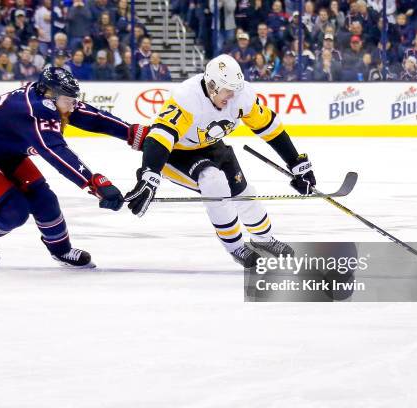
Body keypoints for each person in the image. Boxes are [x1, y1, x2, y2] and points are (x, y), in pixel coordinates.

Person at [0, 67, 149, 268]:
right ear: (50, 95)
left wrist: (131, 133)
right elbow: (56, 152)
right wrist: (94, 183)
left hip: (4, 151)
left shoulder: (51, 98)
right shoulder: (37, 111)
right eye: (68, 100)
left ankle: (61, 250)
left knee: (44, 199)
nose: (72, 106)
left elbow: (91, 117)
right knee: (14, 212)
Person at [124, 54, 316, 268]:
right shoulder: (188, 97)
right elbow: (160, 136)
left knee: (244, 193)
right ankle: (235, 246)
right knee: (213, 181)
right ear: (212, 85)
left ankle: (265, 239)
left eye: (235, 89)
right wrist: (149, 175)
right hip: (176, 153)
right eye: (227, 90)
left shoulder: (240, 96)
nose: (232, 96)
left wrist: (296, 162)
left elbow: (270, 128)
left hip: (211, 145)